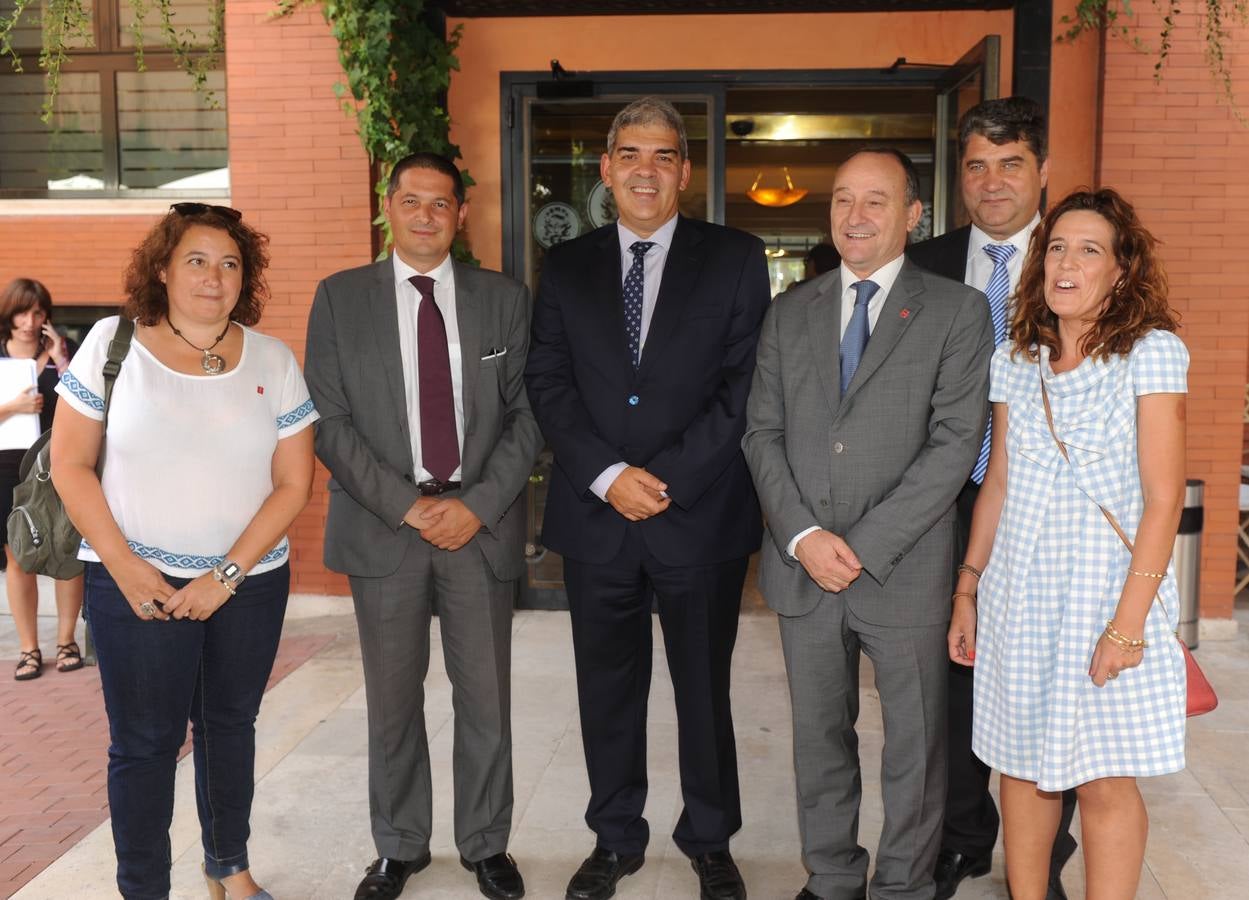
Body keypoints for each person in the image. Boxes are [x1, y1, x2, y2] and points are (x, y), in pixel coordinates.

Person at [525, 97, 769, 900]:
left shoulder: (734, 258)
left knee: (703, 691)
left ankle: (709, 840)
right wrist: (606, 475)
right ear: (605, 167)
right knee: (606, 692)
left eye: (663, 155)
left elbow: (743, 386)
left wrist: (665, 480)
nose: (645, 170)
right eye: (629, 153)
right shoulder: (566, 266)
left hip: (697, 516)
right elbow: (547, 380)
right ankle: (614, 837)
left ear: (684, 172)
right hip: (596, 518)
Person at [743, 147, 992, 900]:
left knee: (915, 746)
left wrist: (861, 544)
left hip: (905, 568)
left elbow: (956, 443)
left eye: (875, 200)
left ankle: (903, 886)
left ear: (913, 215)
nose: (855, 215)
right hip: (804, 566)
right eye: (843, 199)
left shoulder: (956, 310)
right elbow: (762, 434)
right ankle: (830, 877)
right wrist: (802, 537)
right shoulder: (790, 310)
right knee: (819, 738)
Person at [50, 203, 316, 900]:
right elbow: (69, 464)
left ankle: (229, 865)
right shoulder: (112, 344)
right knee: (144, 744)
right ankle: (144, 889)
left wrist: (224, 577)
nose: (213, 277)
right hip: (135, 582)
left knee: (230, 727)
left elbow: (294, 484)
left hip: (248, 583)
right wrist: (128, 569)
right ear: (163, 269)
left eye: (230, 264)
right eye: (196, 260)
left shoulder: (273, 359)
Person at [304, 151, 541, 900]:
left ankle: (486, 845)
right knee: (392, 702)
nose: (426, 216)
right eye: (412, 201)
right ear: (389, 207)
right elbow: (328, 422)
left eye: (441, 203)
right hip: (386, 529)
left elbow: (529, 415)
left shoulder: (504, 299)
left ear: (461, 214)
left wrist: (476, 505)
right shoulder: (340, 298)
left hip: (479, 527)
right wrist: (406, 506)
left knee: (486, 700)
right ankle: (399, 846)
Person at [947, 188, 1187, 900]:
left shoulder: (1150, 354)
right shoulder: (1015, 360)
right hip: (1018, 593)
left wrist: (1127, 626)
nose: (1066, 263)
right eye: (1056, 248)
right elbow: (997, 485)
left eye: (1088, 250)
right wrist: (967, 588)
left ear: (1121, 270)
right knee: (1021, 769)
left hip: (1107, 597)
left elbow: (1163, 499)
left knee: (1104, 777)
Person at [906, 96, 1078, 900]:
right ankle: (962, 838)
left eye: (1011, 164)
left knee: (1051, 674)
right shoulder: (923, 264)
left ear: (1042, 171)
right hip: (941, 507)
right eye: (975, 165)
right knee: (951, 674)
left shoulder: (1079, 258)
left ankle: (1046, 848)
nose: (992, 181)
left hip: (1048, 514)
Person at [1, 278, 81, 680]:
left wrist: (61, 358)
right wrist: (13, 407)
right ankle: (29, 648)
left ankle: (67, 641)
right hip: (6, 467)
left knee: (66, 549)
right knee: (19, 554)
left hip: (55, 464)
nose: (29, 322)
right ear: (8, 314)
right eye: (21, 313)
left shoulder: (63, 351)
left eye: (37, 313)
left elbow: (84, 403)